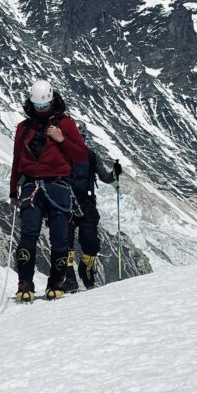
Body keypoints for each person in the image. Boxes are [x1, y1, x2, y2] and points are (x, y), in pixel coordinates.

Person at [9, 79, 88, 302]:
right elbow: (17, 160)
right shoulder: (24, 128)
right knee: (28, 234)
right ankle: (25, 284)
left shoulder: (66, 124)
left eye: (45, 106)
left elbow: (81, 155)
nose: (42, 110)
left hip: (58, 184)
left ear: (52, 101)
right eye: (38, 107)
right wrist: (13, 190)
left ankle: (56, 282)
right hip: (31, 185)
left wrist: (62, 140)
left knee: (60, 237)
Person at [63, 121, 122, 292]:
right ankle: (68, 276)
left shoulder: (91, 156)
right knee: (65, 242)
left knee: (91, 243)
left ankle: (86, 267)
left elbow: (105, 177)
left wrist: (114, 173)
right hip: (66, 202)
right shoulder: (62, 155)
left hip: (87, 204)